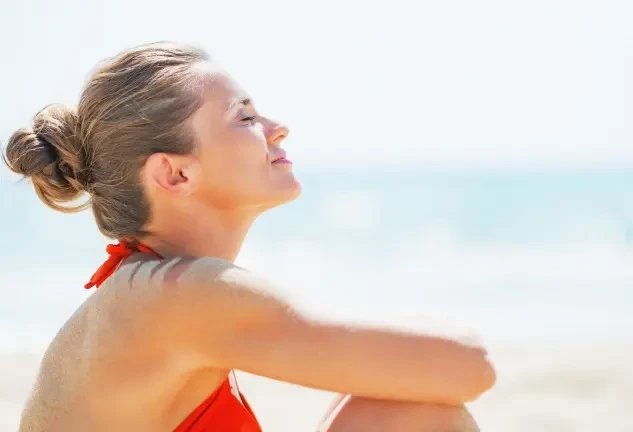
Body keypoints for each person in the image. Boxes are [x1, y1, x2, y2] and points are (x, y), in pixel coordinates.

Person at [4, 42, 495, 431]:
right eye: (244, 118)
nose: (278, 129)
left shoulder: (141, 291)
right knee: (426, 415)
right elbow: (473, 367)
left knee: (403, 414)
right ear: (175, 174)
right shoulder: (179, 295)